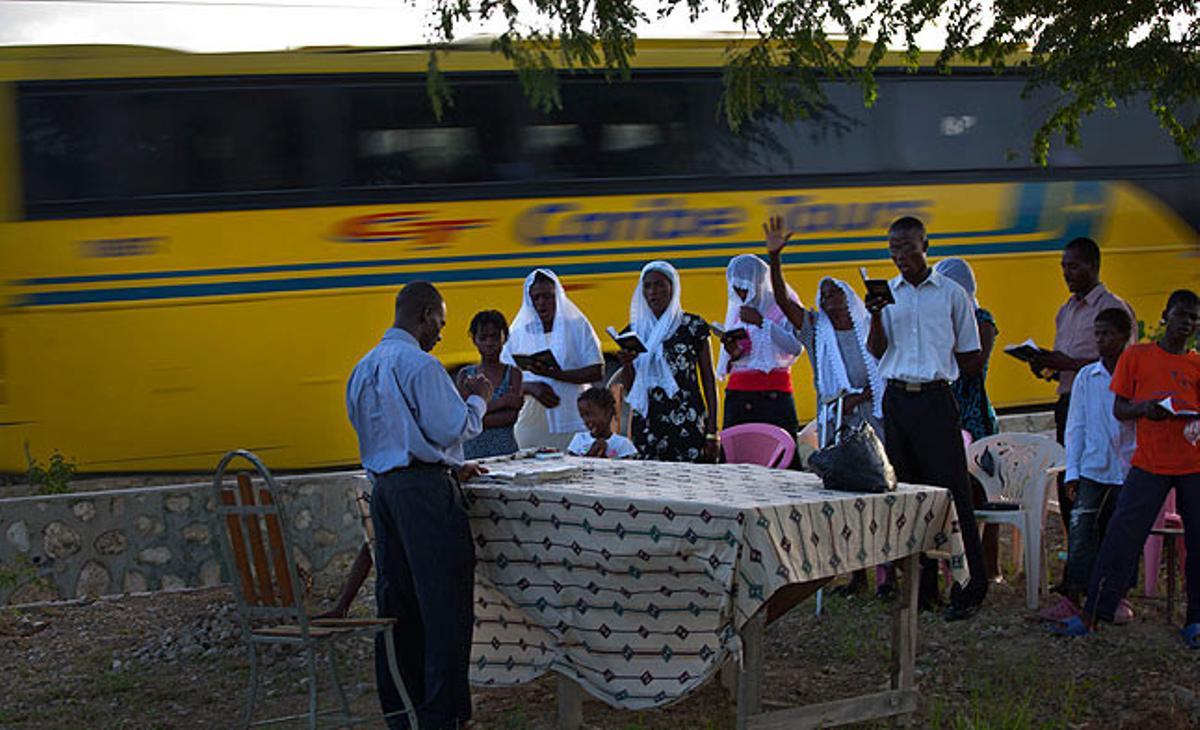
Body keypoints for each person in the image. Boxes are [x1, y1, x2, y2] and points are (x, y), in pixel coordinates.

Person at [345, 281, 492, 730]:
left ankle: (401, 711)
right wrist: (477, 398)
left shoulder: (362, 368)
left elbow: (386, 433)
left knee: (397, 607)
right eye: (440, 324)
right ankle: (440, 714)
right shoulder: (420, 365)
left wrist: (444, 462)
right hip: (424, 494)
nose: (441, 335)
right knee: (443, 606)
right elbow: (453, 426)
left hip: (385, 492)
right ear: (426, 314)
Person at [1054, 290, 1200, 646]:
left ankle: (1195, 620)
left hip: (1192, 463)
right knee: (1121, 535)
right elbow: (1120, 408)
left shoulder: (1196, 364)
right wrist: (1146, 409)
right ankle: (1092, 614)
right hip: (1149, 462)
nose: (1188, 323)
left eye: (1195, 318)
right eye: (1182, 315)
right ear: (1165, 316)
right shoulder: (1138, 356)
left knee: (1197, 541)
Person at [865, 216, 989, 621]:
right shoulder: (888, 295)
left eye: (908, 247)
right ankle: (924, 589)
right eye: (893, 249)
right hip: (898, 399)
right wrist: (877, 315)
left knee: (952, 495)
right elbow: (879, 350)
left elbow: (971, 355)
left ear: (925, 245)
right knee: (909, 495)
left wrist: (941, 357)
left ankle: (970, 588)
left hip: (936, 399)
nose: (901, 256)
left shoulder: (952, 295)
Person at [1028, 237, 1135, 560]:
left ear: (1093, 266)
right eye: (1063, 267)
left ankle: (1102, 558)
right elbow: (1067, 360)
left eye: (1073, 266)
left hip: (1103, 407)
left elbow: (1123, 362)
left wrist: (1066, 363)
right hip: (1069, 403)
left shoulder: (1112, 309)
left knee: (1099, 484)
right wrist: (1046, 365)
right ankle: (1078, 555)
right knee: (1069, 478)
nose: (1067, 273)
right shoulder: (1066, 310)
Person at [1040, 307, 1136, 622]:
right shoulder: (1086, 377)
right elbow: (1076, 427)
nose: (1100, 340)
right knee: (1081, 531)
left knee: (1119, 532)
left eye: (1107, 333)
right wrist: (1073, 471)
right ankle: (1073, 597)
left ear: (1124, 336)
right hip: (1092, 468)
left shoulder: (1135, 375)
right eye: (1097, 333)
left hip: (1126, 471)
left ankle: (1117, 596)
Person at [934, 257, 1002, 582]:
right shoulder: (938, 318)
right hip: (944, 412)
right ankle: (950, 563)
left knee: (981, 493)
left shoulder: (981, 318)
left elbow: (974, 364)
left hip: (973, 416)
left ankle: (989, 566)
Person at [616, 260, 720, 463]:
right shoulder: (633, 332)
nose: (653, 291)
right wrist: (627, 363)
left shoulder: (692, 326)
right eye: (647, 286)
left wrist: (712, 431)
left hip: (688, 423)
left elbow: (708, 378)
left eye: (660, 285)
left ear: (673, 288)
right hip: (648, 426)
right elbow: (630, 388)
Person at [503, 269, 604, 452]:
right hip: (532, 426)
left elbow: (597, 371)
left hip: (574, 423)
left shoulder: (577, 326)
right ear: (529, 300)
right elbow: (504, 379)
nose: (542, 303)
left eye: (548, 297)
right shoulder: (517, 333)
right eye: (537, 298)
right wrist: (530, 388)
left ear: (558, 296)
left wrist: (557, 375)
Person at [717, 253, 804, 438]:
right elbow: (745, 355)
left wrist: (762, 322)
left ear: (759, 281)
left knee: (781, 453)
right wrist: (734, 353)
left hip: (774, 393)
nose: (741, 293)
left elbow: (796, 347)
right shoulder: (737, 311)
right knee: (738, 455)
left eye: (745, 286)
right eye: (736, 287)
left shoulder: (781, 307)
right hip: (739, 393)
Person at [457, 310, 523, 459]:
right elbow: (463, 417)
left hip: (505, 452)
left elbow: (511, 417)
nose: (489, 343)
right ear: (474, 339)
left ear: (505, 338)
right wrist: (503, 402)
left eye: (494, 337)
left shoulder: (513, 373)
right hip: (472, 455)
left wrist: (477, 416)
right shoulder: (465, 375)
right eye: (483, 337)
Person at [567, 388, 639, 459]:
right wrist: (591, 453)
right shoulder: (579, 439)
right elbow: (572, 465)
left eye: (590, 414)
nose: (586, 420)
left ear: (607, 413)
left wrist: (604, 456)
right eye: (582, 416)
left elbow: (629, 468)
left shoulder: (622, 444)